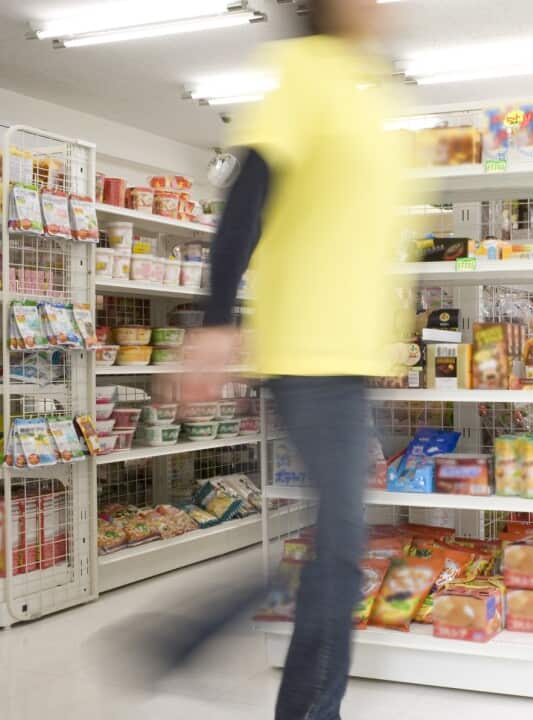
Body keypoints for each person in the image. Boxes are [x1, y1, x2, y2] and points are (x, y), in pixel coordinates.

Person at [178, 0, 411, 717]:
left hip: (350, 356)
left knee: (342, 544)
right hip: (309, 352)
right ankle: (213, 651)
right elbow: (245, 200)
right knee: (340, 547)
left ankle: (201, 644)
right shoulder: (305, 77)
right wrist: (217, 322)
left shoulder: (361, 93)